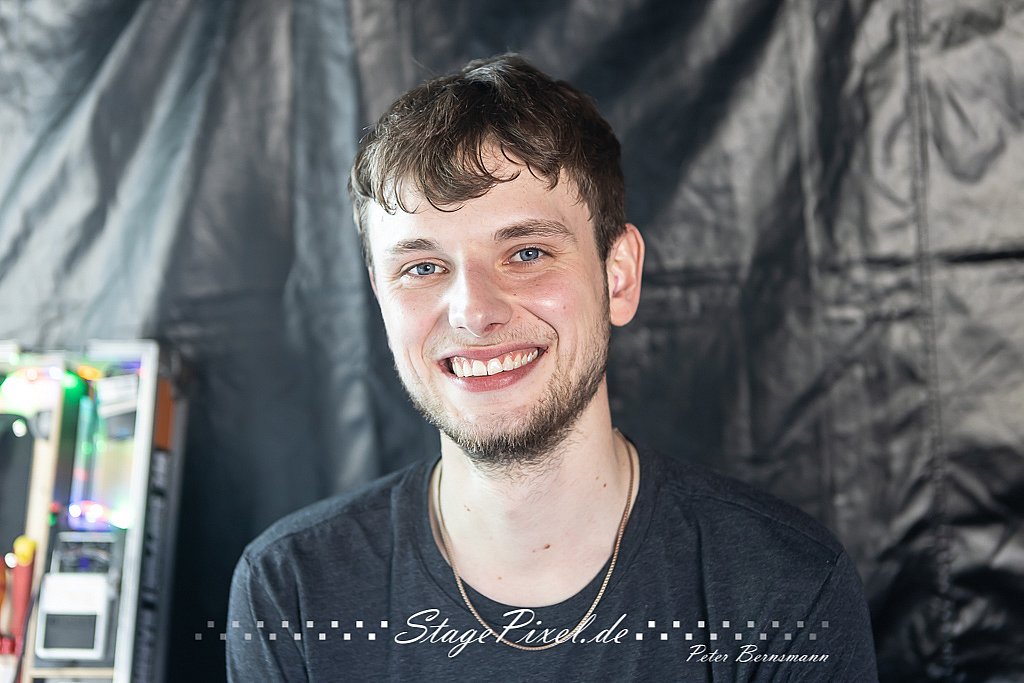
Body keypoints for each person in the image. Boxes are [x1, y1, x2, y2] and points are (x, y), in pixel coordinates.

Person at [227, 54, 878, 681]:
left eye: (527, 253)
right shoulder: (293, 591)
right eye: (422, 267)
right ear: (381, 297)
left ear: (618, 277)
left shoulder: (785, 588)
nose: (474, 312)